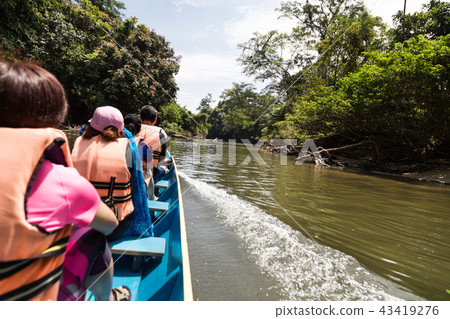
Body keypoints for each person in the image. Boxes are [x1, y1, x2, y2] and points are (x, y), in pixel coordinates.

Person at [0, 60, 129, 301]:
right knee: (94, 236)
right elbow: (109, 225)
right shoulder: (60, 179)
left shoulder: (78, 142)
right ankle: (107, 301)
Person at [71, 106, 135, 242]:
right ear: (121, 129)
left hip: (76, 224)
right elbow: (137, 188)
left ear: (92, 125)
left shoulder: (77, 143)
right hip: (114, 227)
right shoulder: (128, 148)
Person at [138, 105, 167, 196]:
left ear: (140, 117)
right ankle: (155, 191)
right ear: (155, 120)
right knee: (165, 167)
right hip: (152, 172)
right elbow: (161, 160)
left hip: (133, 171)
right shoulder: (160, 134)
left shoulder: (133, 129)